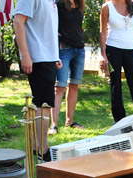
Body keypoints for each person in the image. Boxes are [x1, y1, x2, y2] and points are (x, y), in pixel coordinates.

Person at [13, 0, 62, 161]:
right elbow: (18, 21)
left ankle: (37, 147)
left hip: (48, 58)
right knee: (44, 105)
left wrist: (55, 55)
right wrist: (25, 55)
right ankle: (44, 150)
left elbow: (46, 28)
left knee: (43, 103)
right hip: (38, 58)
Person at [99, 0, 133, 122]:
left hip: (130, 51)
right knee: (116, 84)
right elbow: (103, 32)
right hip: (112, 50)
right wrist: (103, 54)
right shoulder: (107, 7)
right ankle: (119, 119)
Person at [48, 0, 86, 135]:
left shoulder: (79, 4)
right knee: (60, 87)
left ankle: (70, 121)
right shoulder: (58, 5)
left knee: (74, 85)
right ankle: (53, 124)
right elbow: (52, 28)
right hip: (64, 49)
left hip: (79, 48)